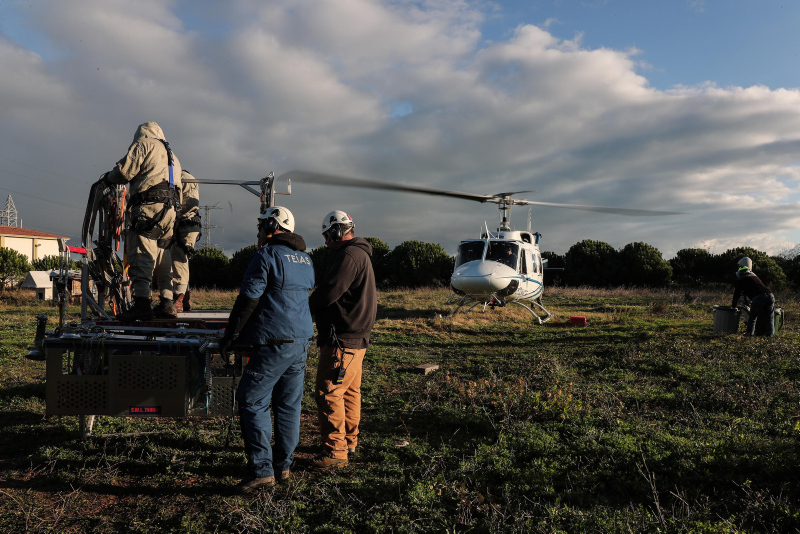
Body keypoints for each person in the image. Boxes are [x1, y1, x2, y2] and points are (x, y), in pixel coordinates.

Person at [218, 206, 314, 493]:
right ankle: (283, 466)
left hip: (273, 343)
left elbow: (249, 298)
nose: (258, 231)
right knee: (288, 405)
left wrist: (230, 336)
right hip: (300, 343)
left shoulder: (266, 255)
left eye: (261, 225)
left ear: (273, 225)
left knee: (251, 401)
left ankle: (262, 471)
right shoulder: (306, 260)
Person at [309, 210, 377, 470]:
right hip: (356, 339)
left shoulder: (348, 256)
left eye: (328, 236)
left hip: (342, 340)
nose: (326, 243)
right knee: (349, 392)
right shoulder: (360, 254)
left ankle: (335, 452)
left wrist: (302, 308)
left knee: (328, 392)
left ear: (337, 232)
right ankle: (349, 440)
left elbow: (327, 293)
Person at [107, 121, 182, 321]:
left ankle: (141, 305)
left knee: (142, 255)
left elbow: (124, 172)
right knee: (163, 255)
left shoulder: (144, 145)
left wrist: (107, 179)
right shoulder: (173, 156)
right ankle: (167, 302)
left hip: (149, 208)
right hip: (170, 212)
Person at [152, 169, 201, 318]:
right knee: (181, 259)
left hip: (184, 223)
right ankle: (185, 299)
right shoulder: (189, 177)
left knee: (179, 259)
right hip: (188, 223)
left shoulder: (178, 178)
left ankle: (178, 300)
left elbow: (179, 203)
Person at [731, 256, 775, 337]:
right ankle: (770, 337)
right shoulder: (754, 276)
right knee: (769, 319)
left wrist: (733, 307)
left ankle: (749, 335)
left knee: (752, 318)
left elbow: (736, 295)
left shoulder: (740, 279)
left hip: (759, 297)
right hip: (770, 295)